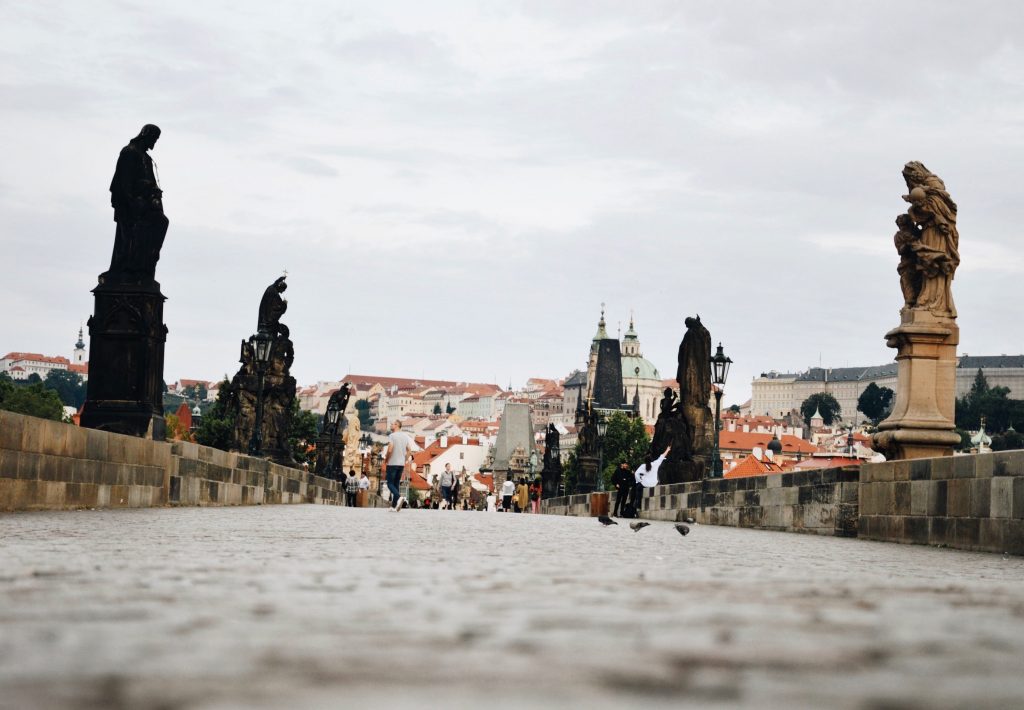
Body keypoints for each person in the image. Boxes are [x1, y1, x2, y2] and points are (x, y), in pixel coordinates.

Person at [381, 420, 412, 511]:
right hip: (401, 464)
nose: (391, 425)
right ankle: (394, 506)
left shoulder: (392, 436)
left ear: (397, 425)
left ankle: (398, 497)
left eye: (392, 424)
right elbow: (409, 451)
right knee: (396, 484)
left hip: (392, 463)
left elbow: (390, 449)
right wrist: (404, 459)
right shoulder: (405, 436)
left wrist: (386, 459)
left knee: (390, 483)